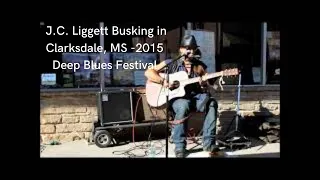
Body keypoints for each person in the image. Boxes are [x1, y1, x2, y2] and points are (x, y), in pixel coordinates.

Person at [144, 35, 220, 158]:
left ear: (195, 50)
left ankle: (209, 143)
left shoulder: (200, 66)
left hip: (195, 97)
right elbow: (148, 72)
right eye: (186, 48)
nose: (189, 50)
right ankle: (179, 147)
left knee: (212, 103)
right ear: (181, 49)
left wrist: (204, 84)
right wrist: (163, 81)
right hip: (177, 98)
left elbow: (209, 86)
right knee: (184, 105)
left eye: (192, 48)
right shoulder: (170, 63)